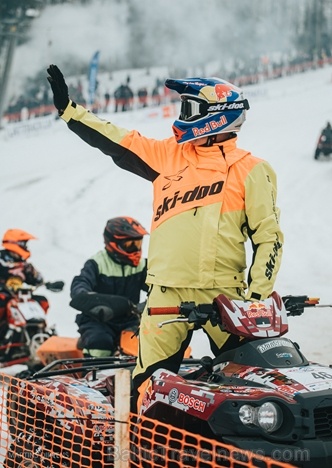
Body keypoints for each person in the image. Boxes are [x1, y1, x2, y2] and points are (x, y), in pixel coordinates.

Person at [46, 65, 284, 411]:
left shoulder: (252, 168)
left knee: (252, 382)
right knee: (147, 392)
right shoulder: (168, 156)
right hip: (164, 295)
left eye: (189, 108)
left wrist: (256, 298)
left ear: (216, 116)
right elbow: (117, 140)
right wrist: (70, 111)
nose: (182, 117)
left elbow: (270, 238)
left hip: (226, 297)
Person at [69, 217, 149, 358]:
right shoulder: (96, 264)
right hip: (98, 322)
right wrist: (97, 301)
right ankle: (91, 377)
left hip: (130, 320)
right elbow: (79, 285)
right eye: (130, 244)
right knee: (100, 344)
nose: (135, 249)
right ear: (113, 243)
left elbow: (159, 285)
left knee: (149, 344)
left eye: (138, 243)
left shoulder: (142, 266)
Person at [0, 229, 48, 339]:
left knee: (42, 301)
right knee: (2, 301)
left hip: (21, 297)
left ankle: (40, 331)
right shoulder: (1, 260)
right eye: (23, 244)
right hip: (4, 294)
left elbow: (37, 279)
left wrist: (46, 283)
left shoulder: (24, 264)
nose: (26, 247)